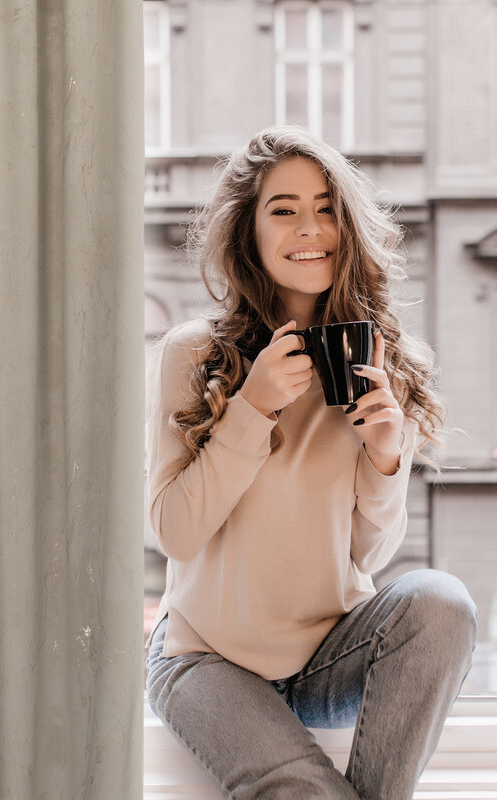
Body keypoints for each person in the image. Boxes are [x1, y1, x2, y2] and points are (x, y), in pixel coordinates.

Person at [144, 127, 477, 800]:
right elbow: (175, 533)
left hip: (331, 659)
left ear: (347, 226)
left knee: (443, 601)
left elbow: (367, 553)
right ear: (250, 230)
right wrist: (252, 408)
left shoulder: (381, 362)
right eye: (284, 208)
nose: (310, 227)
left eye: (327, 207)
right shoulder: (194, 355)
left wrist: (387, 458)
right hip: (204, 657)